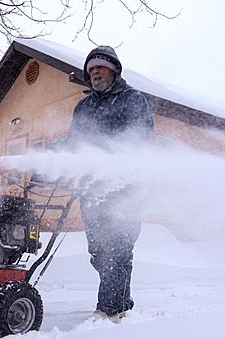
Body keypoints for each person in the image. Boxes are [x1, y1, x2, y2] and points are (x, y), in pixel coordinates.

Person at [57, 45, 154, 322]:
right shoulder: (83, 107)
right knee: (99, 254)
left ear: (114, 70)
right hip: (92, 193)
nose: (95, 72)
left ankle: (110, 312)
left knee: (116, 252)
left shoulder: (132, 99)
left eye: (101, 67)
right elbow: (75, 141)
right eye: (91, 69)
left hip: (123, 192)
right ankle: (122, 303)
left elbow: (140, 141)